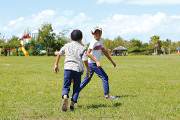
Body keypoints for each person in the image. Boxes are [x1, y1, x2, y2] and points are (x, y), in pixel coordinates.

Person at [54, 29, 90, 111]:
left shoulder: (67, 45)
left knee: (66, 86)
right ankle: (72, 105)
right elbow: (85, 59)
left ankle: (65, 96)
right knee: (76, 88)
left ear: (70, 38)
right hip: (77, 69)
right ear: (81, 39)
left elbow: (59, 54)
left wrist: (56, 64)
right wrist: (88, 69)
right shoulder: (82, 48)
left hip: (68, 68)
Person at [80, 26, 118, 99]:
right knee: (105, 77)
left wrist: (111, 61)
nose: (97, 34)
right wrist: (97, 61)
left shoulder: (100, 41)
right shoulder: (93, 42)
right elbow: (88, 53)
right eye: (95, 33)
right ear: (92, 34)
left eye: (99, 32)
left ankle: (75, 93)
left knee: (86, 80)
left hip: (92, 63)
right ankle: (107, 96)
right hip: (93, 63)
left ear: (101, 32)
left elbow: (104, 51)